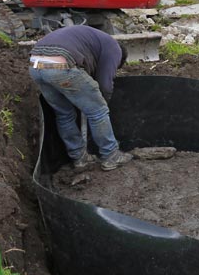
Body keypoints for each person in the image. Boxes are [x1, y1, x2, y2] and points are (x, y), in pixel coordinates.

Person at [28, 25, 133, 171]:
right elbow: (105, 84)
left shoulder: (92, 40)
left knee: (64, 114)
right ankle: (111, 155)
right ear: (120, 58)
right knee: (98, 111)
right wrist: (102, 103)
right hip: (61, 65)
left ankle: (79, 158)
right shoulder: (114, 48)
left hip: (35, 66)